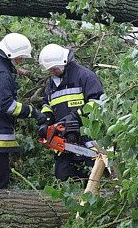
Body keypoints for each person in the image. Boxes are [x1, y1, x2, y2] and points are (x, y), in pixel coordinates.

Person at [0, 33, 46, 191]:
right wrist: (33, 112)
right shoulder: (2, 75)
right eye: (20, 57)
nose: (21, 60)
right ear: (11, 54)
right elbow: (8, 106)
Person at [38, 43, 105, 181]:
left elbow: (98, 103)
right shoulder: (51, 84)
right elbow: (47, 105)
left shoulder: (85, 76)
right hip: (64, 144)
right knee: (63, 182)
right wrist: (46, 121)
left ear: (63, 62)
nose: (52, 72)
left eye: (54, 69)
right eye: (50, 70)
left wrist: (75, 116)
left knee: (91, 183)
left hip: (87, 140)